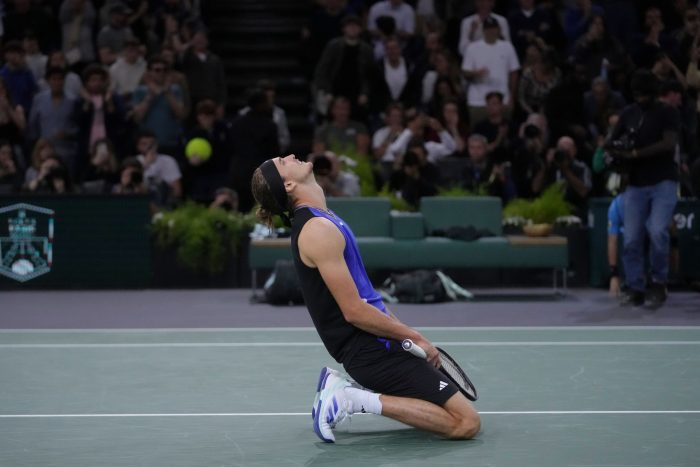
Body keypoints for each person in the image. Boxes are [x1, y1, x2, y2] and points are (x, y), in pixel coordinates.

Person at [250, 154, 480, 443]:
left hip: (376, 343)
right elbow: (354, 311)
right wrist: (414, 335)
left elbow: (367, 296)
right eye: (283, 161)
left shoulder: (324, 220)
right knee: (465, 423)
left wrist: (402, 336)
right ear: (289, 184)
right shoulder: (316, 231)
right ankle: (350, 399)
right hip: (369, 351)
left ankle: (346, 391)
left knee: (436, 410)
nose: (290, 156)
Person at [607, 70, 680, 307]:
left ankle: (659, 282)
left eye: (645, 95)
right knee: (631, 238)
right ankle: (635, 286)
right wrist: (613, 151)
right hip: (635, 183)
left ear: (653, 93)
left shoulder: (667, 112)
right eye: (637, 95)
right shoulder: (628, 113)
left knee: (658, 231)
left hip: (663, 181)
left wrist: (636, 153)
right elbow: (611, 142)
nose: (640, 99)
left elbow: (669, 143)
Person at [461, 16, 520, 125]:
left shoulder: (507, 47)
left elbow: (514, 73)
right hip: (478, 100)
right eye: (488, 29)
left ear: (498, 29)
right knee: (478, 133)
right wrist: (475, 73)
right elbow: (465, 72)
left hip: (503, 99)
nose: (491, 31)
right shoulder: (472, 48)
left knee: (504, 131)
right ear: (483, 30)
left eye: (493, 28)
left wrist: (512, 97)